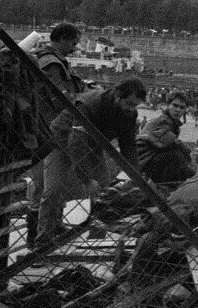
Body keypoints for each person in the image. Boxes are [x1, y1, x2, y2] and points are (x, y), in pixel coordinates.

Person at [37, 78, 146, 246]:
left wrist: (136, 175)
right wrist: (87, 179)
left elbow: (128, 145)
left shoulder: (128, 113)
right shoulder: (90, 104)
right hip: (62, 141)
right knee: (53, 190)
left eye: (135, 106)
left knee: (104, 189)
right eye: (129, 103)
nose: (131, 109)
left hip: (92, 144)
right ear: (117, 95)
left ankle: (96, 238)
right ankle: (43, 241)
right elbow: (76, 143)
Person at [24, 22, 83, 245]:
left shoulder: (48, 59)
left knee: (49, 183)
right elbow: (61, 96)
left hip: (46, 126)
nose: (76, 48)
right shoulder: (52, 64)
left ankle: (51, 224)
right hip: (53, 127)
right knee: (48, 186)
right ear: (63, 39)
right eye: (74, 42)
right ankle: (38, 236)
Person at [136, 91, 195, 190]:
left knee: (189, 173)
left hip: (153, 157)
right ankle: (167, 187)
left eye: (182, 107)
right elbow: (170, 140)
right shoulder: (163, 120)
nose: (178, 110)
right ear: (168, 105)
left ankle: (174, 184)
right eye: (175, 105)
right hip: (142, 160)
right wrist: (189, 152)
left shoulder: (172, 122)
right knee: (176, 154)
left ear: (185, 109)